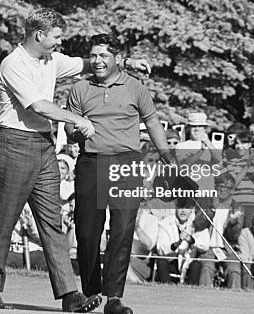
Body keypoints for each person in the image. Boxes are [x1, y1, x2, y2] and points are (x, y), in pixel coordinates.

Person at [0, 8, 150, 312]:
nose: (60, 42)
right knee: (6, 220)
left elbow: (89, 62)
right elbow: (40, 105)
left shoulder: (51, 60)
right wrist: (77, 120)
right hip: (16, 143)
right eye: (56, 36)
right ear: (39, 35)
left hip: (44, 147)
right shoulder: (13, 64)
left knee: (52, 222)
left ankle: (70, 295)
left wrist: (128, 62)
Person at [64, 33, 172, 314]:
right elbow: (68, 132)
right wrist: (78, 130)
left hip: (127, 163)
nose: (97, 61)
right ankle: (90, 292)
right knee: (87, 232)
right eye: (94, 55)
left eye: (103, 56)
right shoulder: (80, 88)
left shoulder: (135, 87)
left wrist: (167, 154)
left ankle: (113, 298)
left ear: (118, 60)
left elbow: (152, 121)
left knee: (122, 230)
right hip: (91, 162)